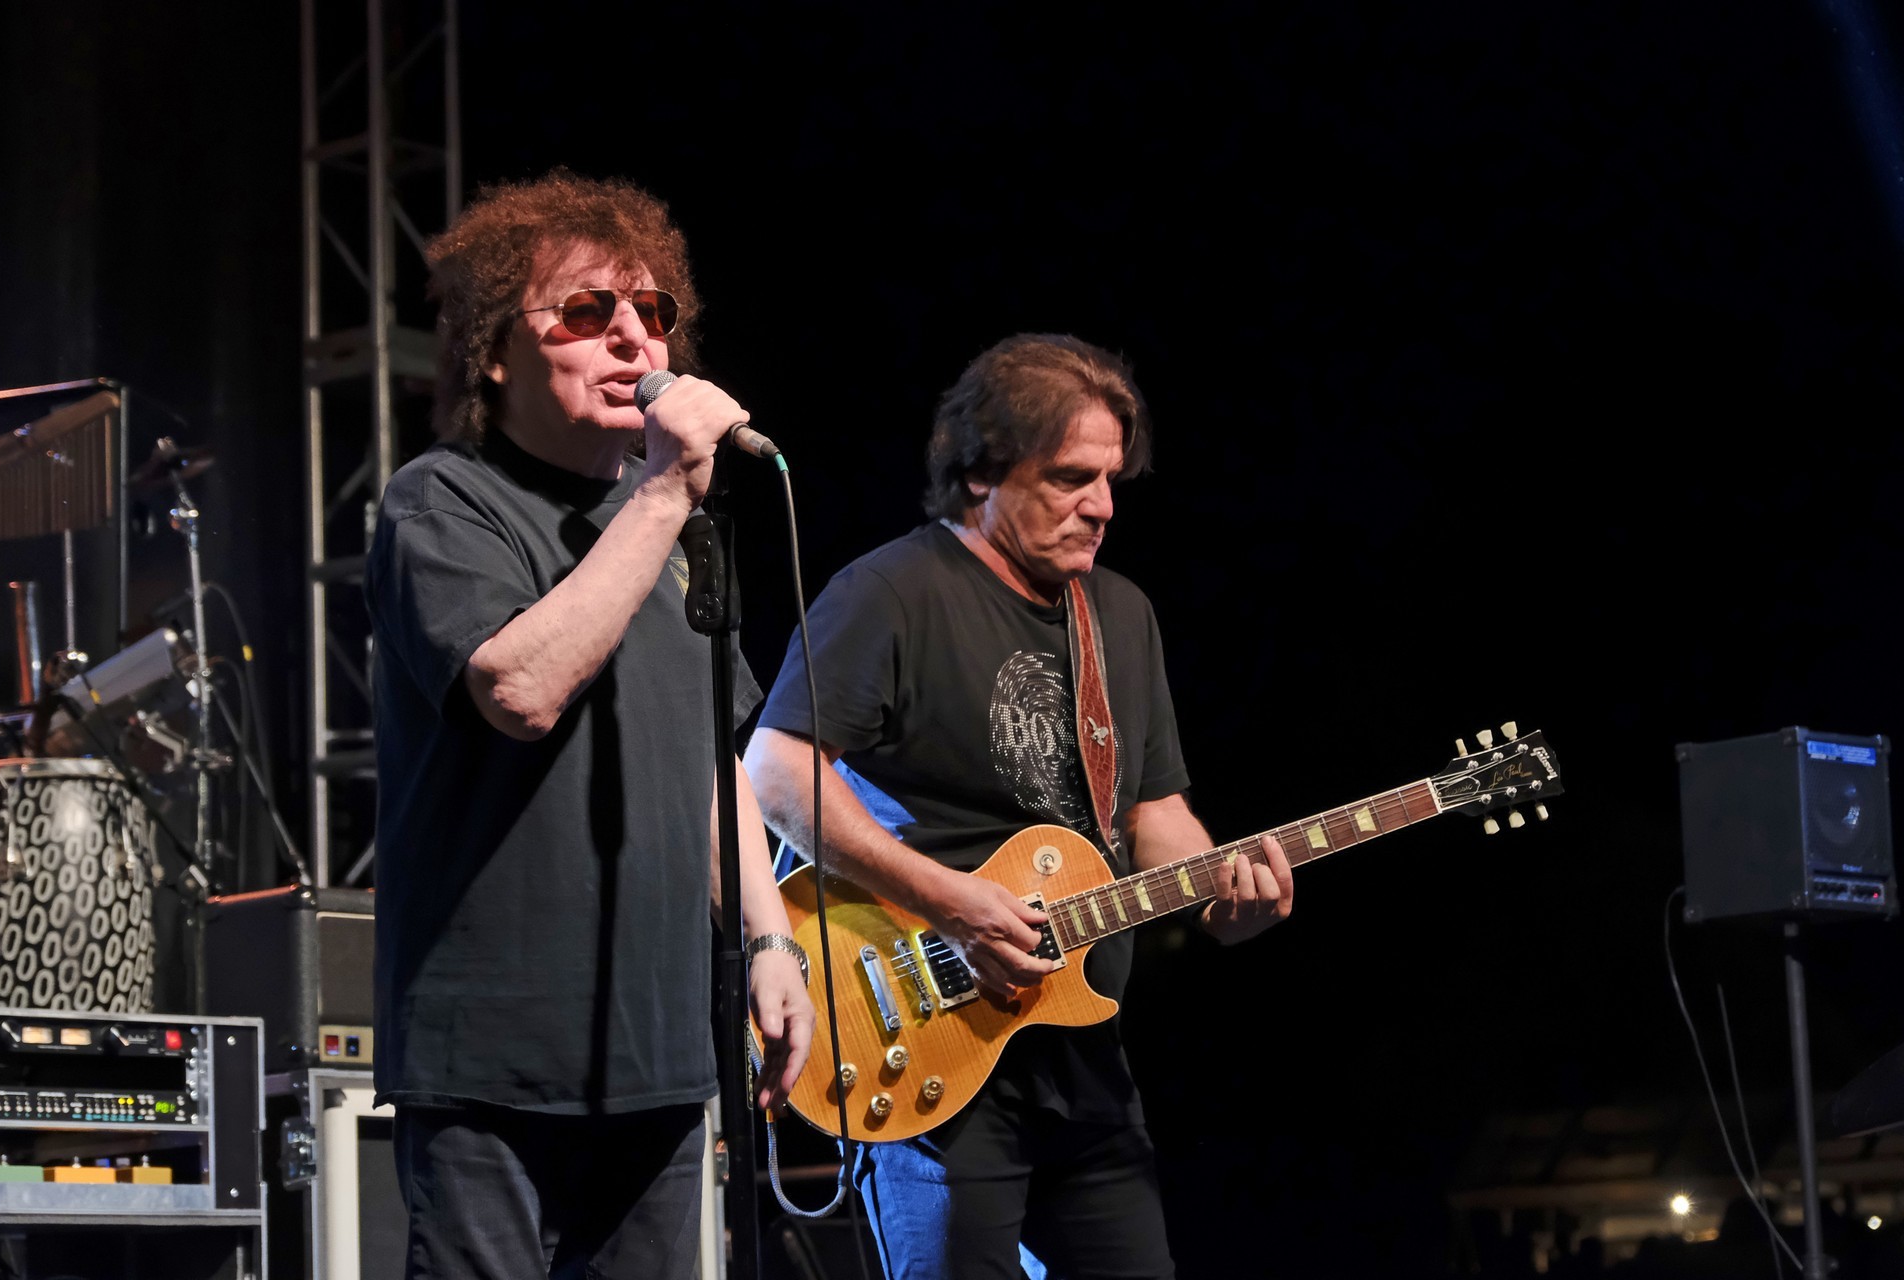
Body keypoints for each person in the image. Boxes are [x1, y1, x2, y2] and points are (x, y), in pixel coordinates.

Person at [745, 333, 1294, 1280]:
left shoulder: (1119, 613)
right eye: (1072, 477)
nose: (1103, 505)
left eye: (1112, 479)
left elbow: (1151, 811)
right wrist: (951, 903)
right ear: (980, 472)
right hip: (927, 1032)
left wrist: (1221, 896)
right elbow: (777, 771)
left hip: (1081, 1048)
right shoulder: (889, 593)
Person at [364, 169, 814, 1280]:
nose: (632, 336)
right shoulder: (441, 501)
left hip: (658, 1054)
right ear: (494, 351)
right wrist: (662, 494)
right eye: (585, 310)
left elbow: (711, 759)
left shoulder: (667, 524)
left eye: (652, 311)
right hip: (492, 1061)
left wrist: (769, 939)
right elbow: (520, 690)